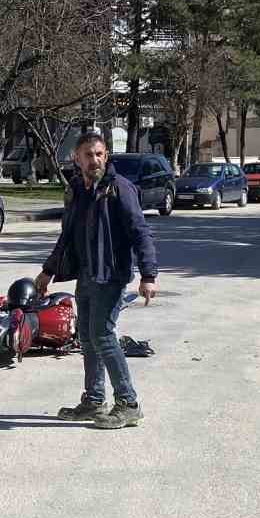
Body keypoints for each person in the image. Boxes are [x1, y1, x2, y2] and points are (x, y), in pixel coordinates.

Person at [34, 132, 159, 430]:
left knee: (102, 335)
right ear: (76, 158)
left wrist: (148, 275)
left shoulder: (119, 188)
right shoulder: (77, 190)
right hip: (87, 274)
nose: (95, 160)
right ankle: (93, 400)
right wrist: (48, 270)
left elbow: (140, 232)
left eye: (100, 154)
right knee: (87, 337)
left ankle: (128, 404)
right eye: (89, 155)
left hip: (111, 275)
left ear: (106, 156)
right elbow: (66, 236)